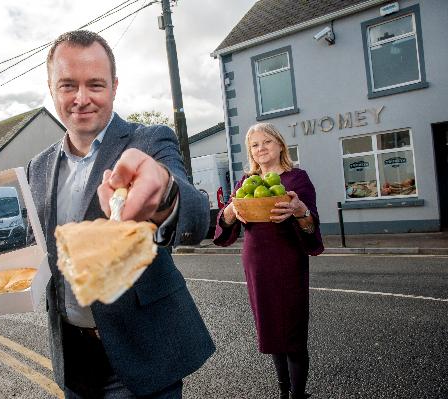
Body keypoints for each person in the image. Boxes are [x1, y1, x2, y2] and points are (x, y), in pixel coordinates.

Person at [25, 30, 215, 399]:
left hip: (142, 351)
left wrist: (167, 194)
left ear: (113, 86)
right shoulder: (37, 166)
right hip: (73, 358)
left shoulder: (149, 140)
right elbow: (39, 248)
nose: (81, 99)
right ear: (51, 89)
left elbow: (194, 214)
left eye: (95, 85)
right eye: (67, 85)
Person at [213, 123, 324, 399]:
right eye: (255, 145)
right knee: (272, 329)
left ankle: (298, 394)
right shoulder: (244, 183)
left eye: (267, 142)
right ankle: (283, 392)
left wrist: (300, 210)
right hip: (256, 262)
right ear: (251, 152)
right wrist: (228, 213)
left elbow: (311, 224)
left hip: (287, 260)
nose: (261, 148)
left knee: (293, 331)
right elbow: (227, 222)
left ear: (279, 145)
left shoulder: (296, 179)